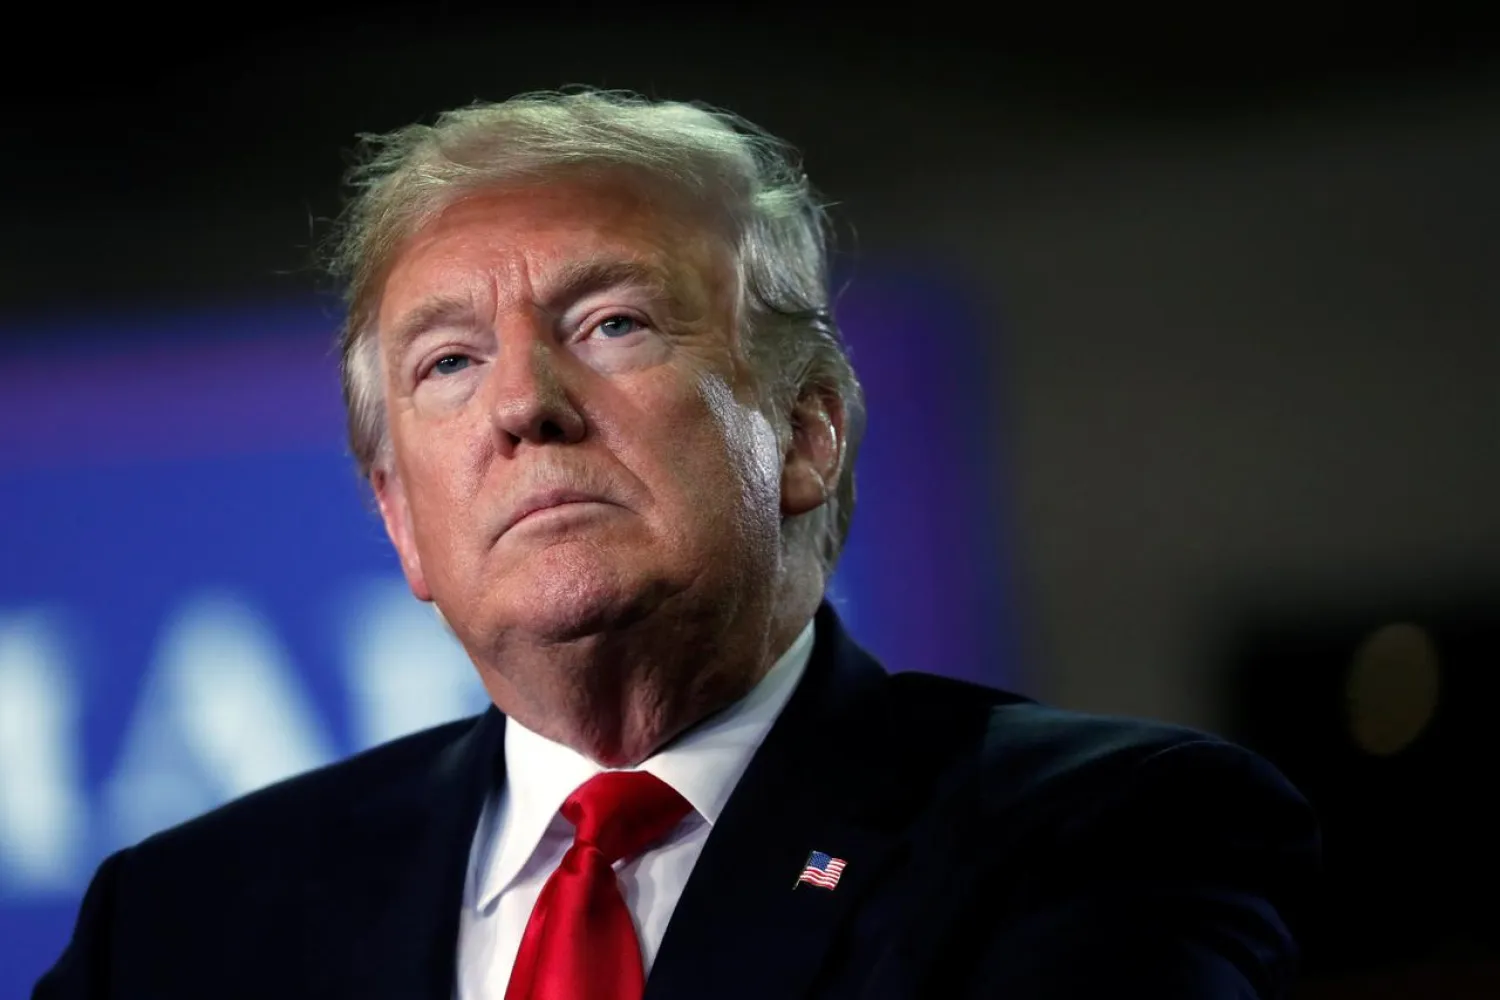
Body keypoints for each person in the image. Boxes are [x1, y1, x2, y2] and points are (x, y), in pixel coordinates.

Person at [34, 89, 1318, 1000]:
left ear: (808, 433)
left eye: (614, 323)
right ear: (401, 521)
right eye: (448, 361)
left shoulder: (1099, 833)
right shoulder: (182, 922)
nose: (523, 404)